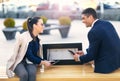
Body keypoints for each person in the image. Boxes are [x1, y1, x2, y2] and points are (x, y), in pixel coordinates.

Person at [73, 8, 120, 73]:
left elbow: (91, 56)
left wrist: (79, 58)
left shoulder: (93, 32)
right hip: (117, 62)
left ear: (90, 17)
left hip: (106, 67)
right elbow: (104, 45)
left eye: (83, 18)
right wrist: (85, 53)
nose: (82, 21)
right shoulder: (107, 23)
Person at [6, 17, 51, 81]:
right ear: (34, 26)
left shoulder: (37, 39)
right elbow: (30, 56)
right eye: (41, 24)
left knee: (32, 74)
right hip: (19, 62)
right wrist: (43, 62)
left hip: (30, 62)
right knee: (24, 74)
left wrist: (44, 60)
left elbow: (35, 55)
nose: (43, 26)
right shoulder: (24, 37)